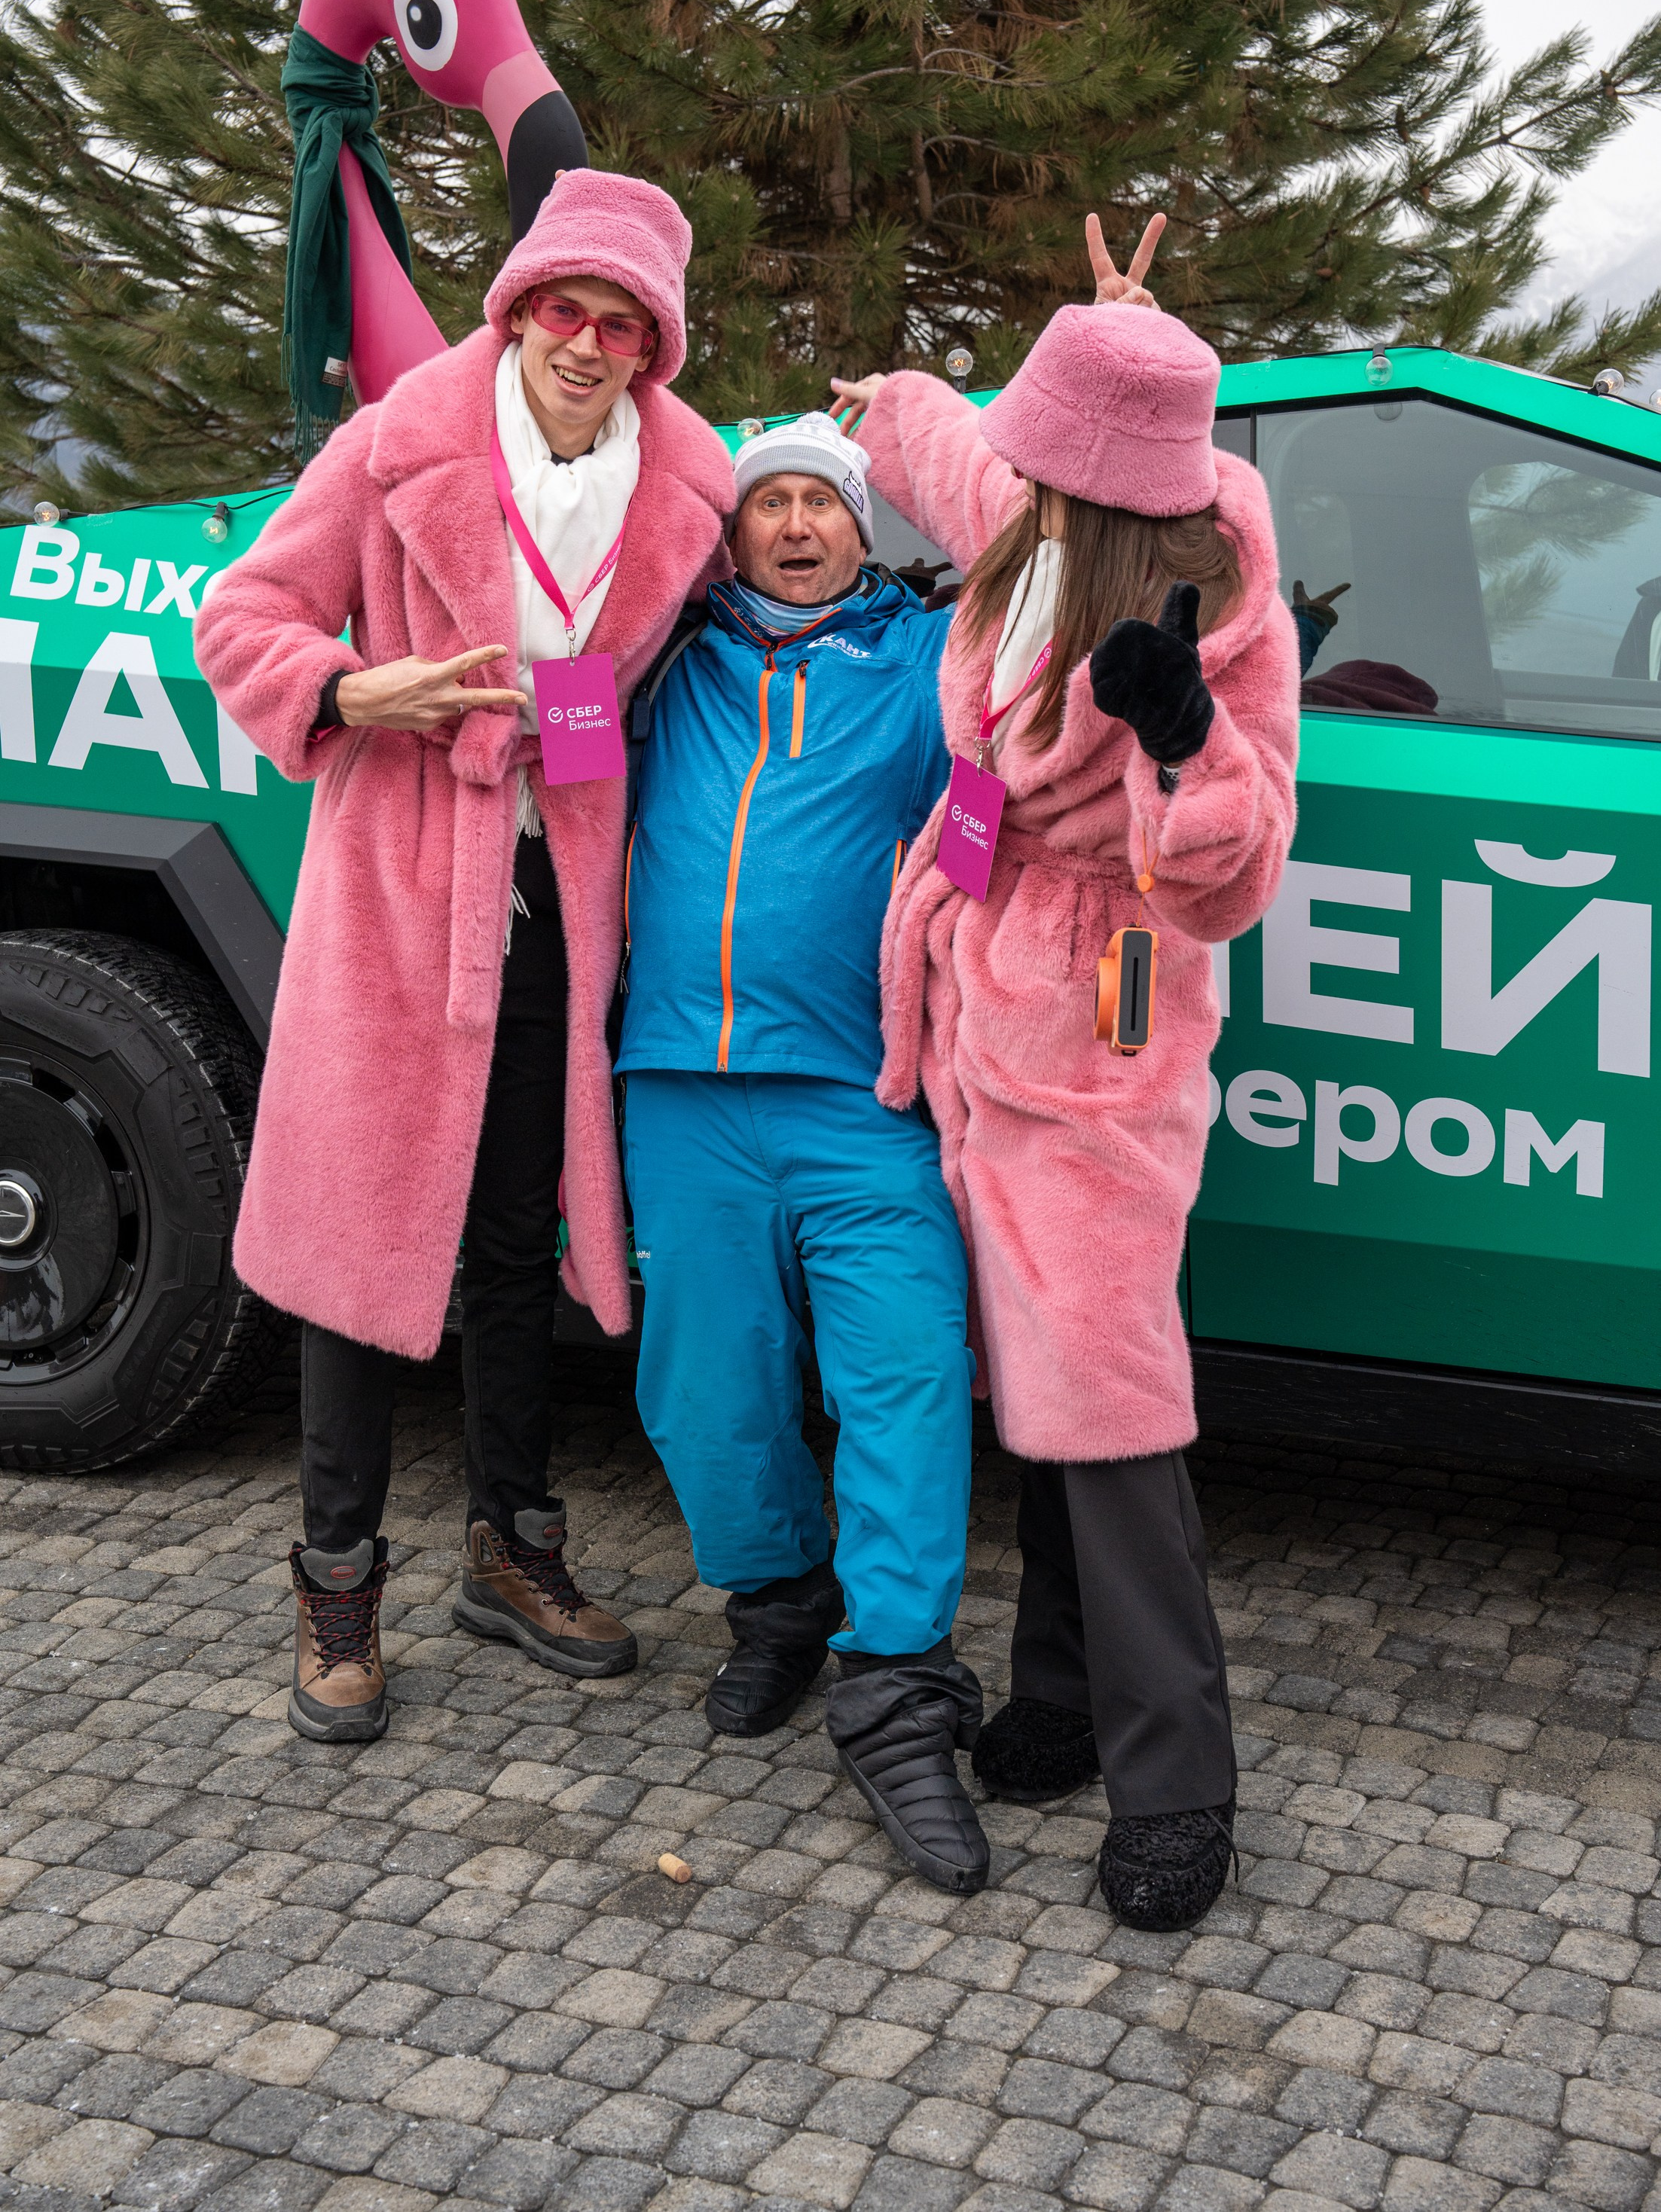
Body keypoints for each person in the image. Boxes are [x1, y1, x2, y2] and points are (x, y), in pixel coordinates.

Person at [196, 169, 733, 1744]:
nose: (586, 339)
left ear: (653, 347)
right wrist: (358, 694)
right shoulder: (396, 444)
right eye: (564, 307)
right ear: (518, 309)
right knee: (360, 1256)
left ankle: (512, 1544)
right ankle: (336, 1580)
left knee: (513, 1240)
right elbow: (242, 613)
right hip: (395, 905)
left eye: (621, 321)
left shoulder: (682, 492)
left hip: (559, 905)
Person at [830, 218, 1299, 1931]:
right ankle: (1053, 1694)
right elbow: (961, 455)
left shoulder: (1215, 596)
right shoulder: (1027, 517)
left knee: (1105, 1393)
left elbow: (1235, 871)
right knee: (1031, 1359)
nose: (999, 457)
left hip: (1098, 1005)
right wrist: (883, 401)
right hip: (972, 981)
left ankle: (1178, 1778)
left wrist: (1180, 736)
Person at [617, 411, 989, 1895]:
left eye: (818, 503)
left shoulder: (918, 666)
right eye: (763, 499)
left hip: (860, 1095)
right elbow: (525, 656)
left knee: (901, 1369)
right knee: (705, 1390)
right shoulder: (654, 668)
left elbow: (1034, 604)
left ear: (859, 527)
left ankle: (895, 1683)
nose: (790, 524)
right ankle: (775, 1602)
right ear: (725, 528)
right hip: (678, 1093)